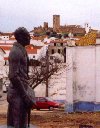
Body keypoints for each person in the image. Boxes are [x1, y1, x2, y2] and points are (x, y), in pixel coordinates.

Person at [7, 27, 33, 128]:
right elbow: (13, 76)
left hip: (21, 91)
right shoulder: (15, 52)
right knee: (18, 123)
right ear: (21, 37)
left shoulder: (22, 50)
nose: (29, 37)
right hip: (18, 93)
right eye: (27, 35)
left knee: (21, 122)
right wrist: (24, 95)